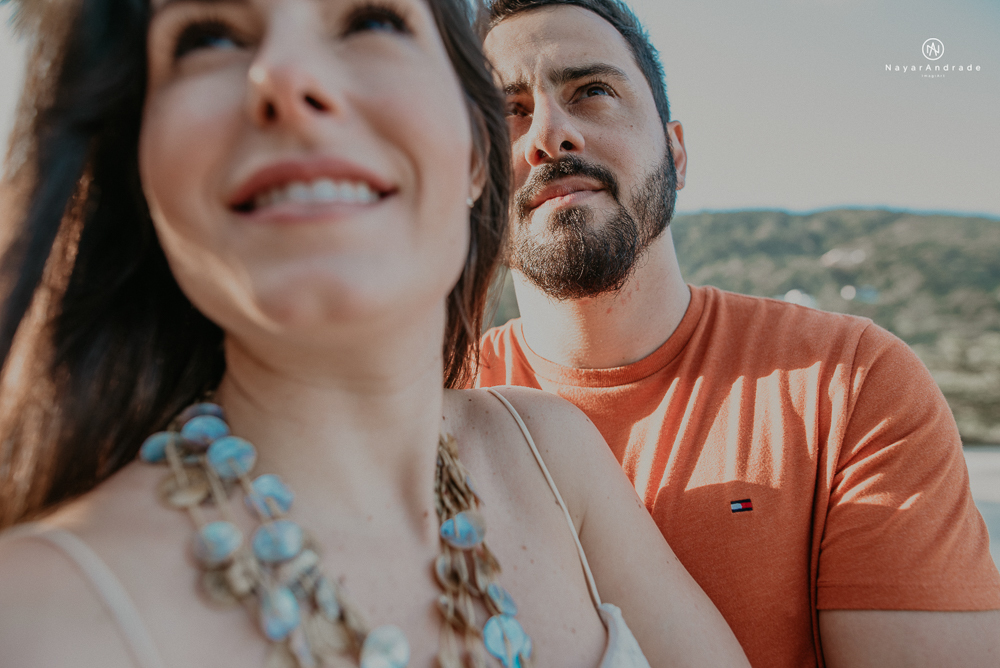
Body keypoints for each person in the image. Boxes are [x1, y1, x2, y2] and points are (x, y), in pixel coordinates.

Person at [0, 1, 753, 667]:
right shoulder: (42, 621)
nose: (288, 79)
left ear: (474, 157)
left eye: (371, 20)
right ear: (141, 170)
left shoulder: (552, 455)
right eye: (207, 37)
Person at [475, 1, 1000, 666]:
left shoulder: (850, 383)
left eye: (594, 91)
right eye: (508, 111)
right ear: (471, 180)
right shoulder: (420, 410)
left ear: (677, 151)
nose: (549, 134)